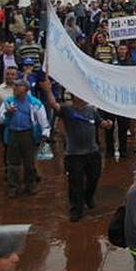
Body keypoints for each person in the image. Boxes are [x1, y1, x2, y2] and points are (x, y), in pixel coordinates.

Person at [41, 79, 112, 221]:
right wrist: (48, 90)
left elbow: (101, 124)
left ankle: (88, 196)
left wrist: (107, 124)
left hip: (92, 152)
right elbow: (53, 105)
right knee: (75, 183)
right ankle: (76, 209)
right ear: (75, 97)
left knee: (94, 178)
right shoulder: (67, 110)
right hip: (74, 155)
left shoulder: (92, 110)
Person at [0, 79, 49, 197]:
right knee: (12, 163)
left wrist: (45, 132)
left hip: (28, 134)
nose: (15, 88)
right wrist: (7, 113)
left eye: (18, 86)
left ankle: (30, 186)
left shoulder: (34, 103)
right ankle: (13, 187)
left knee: (29, 162)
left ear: (25, 89)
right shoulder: (8, 102)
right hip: (12, 134)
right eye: (15, 86)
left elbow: (42, 119)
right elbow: (0, 119)